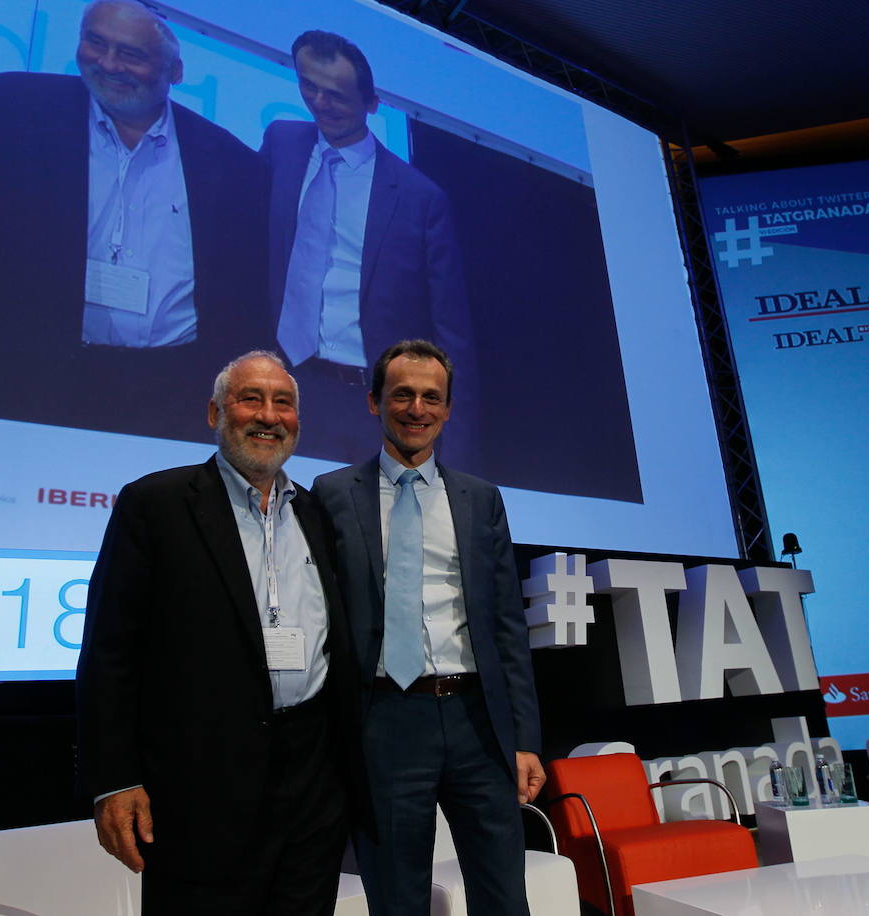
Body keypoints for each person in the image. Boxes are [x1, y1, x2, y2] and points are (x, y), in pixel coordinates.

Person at [76, 351, 361, 913]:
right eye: (250, 398)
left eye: (284, 402)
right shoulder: (155, 504)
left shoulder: (317, 515)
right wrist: (113, 778)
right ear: (214, 412)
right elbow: (111, 652)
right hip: (199, 786)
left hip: (311, 783)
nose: (269, 415)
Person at [0, 0, 267, 441]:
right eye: (95, 43)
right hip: (23, 375)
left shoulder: (230, 159)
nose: (108, 64)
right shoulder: (8, 108)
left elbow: (240, 297)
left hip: (171, 393)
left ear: (175, 72)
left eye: (131, 54)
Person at [311, 340, 543, 915]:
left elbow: (507, 625)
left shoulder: (479, 499)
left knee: (504, 897)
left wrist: (524, 739)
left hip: (478, 725)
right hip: (385, 722)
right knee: (396, 899)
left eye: (431, 397)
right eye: (403, 395)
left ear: (448, 409)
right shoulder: (332, 494)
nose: (417, 408)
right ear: (374, 402)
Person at [261, 31, 478, 467]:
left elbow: (450, 329)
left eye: (337, 95)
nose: (320, 103)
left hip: (365, 403)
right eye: (309, 87)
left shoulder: (419, 197)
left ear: (370, 102)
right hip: (280, 385)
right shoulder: (282, 143)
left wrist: (459, 451)